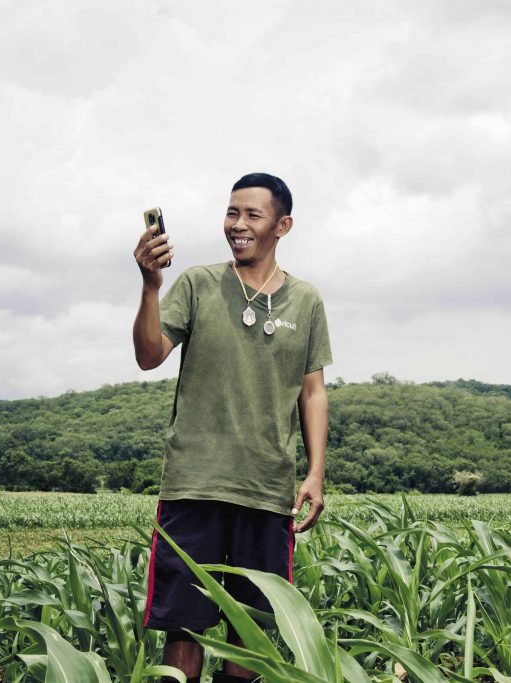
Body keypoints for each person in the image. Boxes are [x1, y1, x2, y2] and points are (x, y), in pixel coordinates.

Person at [132, 172, 332, 683]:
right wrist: (151, 286)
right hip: (194, 482)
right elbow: (149, 355)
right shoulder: (198, 284)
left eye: (252, 215)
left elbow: (312, 391)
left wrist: (315, 473)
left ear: (282, 225)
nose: (237, 225)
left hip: (267, 487)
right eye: (231, 213)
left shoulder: (306, 300)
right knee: (184, 625)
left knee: (253, 628)